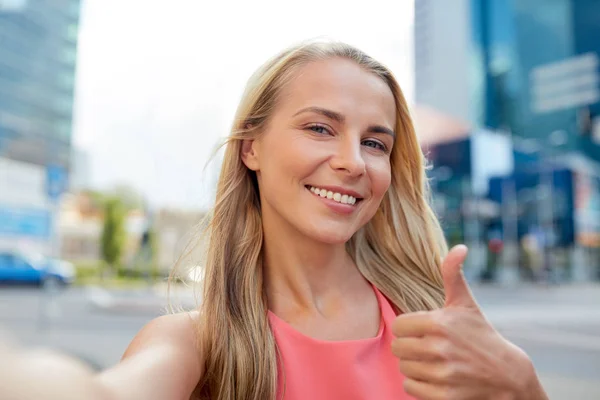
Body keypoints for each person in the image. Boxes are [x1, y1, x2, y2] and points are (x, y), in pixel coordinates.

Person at [0, 40, 549, 400]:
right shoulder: (197, 344)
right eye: (319, 128)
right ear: (251, 148)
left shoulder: (432, 325)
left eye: (375, 142)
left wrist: (523, 386)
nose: (353, 162)